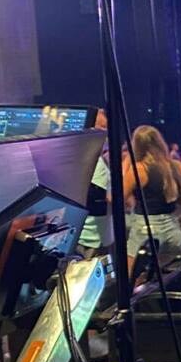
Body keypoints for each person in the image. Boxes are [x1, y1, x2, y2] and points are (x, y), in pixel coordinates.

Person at [123, 125, 181, 275]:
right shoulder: (177, 166)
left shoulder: (139, 169)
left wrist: (126, 164)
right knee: (171, 278)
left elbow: (118, 198)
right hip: (173, 230)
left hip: (145, 231)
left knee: (133, 277)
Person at [77, 108, 114, 259]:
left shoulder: (101, 160)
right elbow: (110, 198)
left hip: (95, 238)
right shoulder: (94, 162)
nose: (106, 133)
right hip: (88, 240)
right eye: (102, 127)